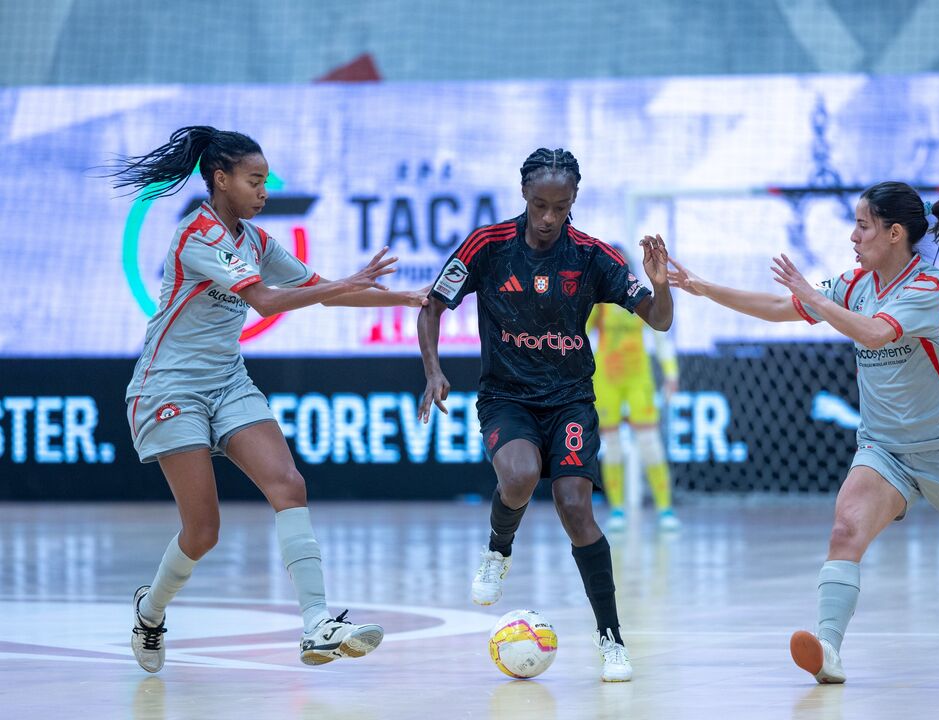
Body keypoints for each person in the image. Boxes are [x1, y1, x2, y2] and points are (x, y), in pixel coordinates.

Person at [666, 180, 939, 684]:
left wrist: (813, 296)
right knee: (844, 531)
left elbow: (874, 331)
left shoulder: (926, 288)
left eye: (862, 225)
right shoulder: (854, 285)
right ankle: (828, 650)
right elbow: (778, 307)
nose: (853, 236)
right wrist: (701, 286)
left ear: (894, 233)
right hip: (884, 450)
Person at [110, 125, 427, 673]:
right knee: (203, 532)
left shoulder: (256, 240)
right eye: (254, 181)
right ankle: (150, 612)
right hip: (168, 387)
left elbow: (324, 291)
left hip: (228, 380)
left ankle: (316, 624)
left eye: (264, 182)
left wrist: (406, 298)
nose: (263, 192)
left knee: (289, 484)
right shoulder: (199, 236)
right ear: (220, 179)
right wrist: (345, 282)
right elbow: (266, 302)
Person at [416, 148, 674, 682]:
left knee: (575, 506)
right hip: (506, 397)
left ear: (574, 200)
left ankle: (611, 639)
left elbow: (659, 321)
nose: (550, 217)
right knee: (520, 475)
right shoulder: (487, 246)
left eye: (561, 205)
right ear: (525, 197)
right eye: (540, 205)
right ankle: (498, 548)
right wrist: (433, 370)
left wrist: (662, 285)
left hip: (571, 399)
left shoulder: (592, 256)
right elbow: (432, 305)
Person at [587, 256, 681, 532]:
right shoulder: (597, 301)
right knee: (612, 446)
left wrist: (671, 373)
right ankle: (617, 510)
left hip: (639, 379)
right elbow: (578, 335)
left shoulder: (637, 295)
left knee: (650, 444)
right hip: (607, 381)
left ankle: (665, 509)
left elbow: (660, 336)